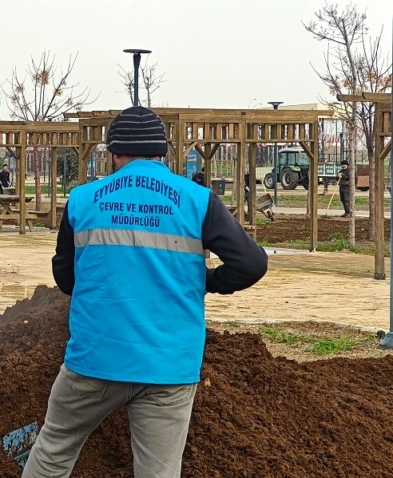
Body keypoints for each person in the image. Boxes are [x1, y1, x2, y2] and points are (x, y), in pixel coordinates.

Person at [22, 107, 268, 478]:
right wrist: (204, 281)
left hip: (95, 359)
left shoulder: (83, 199)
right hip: (169, 363)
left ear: (114, 153)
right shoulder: (197, 200)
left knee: (54, 449)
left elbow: (66, 277)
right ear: (163, 152)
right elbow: (251, 264)